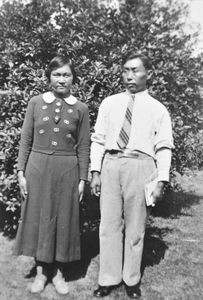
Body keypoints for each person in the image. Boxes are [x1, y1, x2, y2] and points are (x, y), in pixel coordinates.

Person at [90, 51, 174, 298]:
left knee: (136, 227)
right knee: (109, 225)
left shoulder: (158, 109)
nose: (129, 76)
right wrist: (95, 170)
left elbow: (163, 146)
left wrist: (162, 179)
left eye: (135, 70)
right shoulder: (110, 103)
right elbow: (98, 139)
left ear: (149, 74)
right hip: (112, 164)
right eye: (125, 70)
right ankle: (108, 279)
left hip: (141, 166)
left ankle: (131, 279)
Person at [13, 55, 90, 295]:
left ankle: (58, 273)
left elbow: (84, 145)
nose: (61, 79)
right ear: (49, 77)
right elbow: (25, 138)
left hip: (67, 170)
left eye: (66, 75)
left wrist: (82, 179)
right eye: (57, 74)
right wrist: (20, 171)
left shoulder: (81, 108)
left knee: (63, 219)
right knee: (38, 218)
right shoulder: (35, 102)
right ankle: (40, 272)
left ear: (73, 78)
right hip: (37, 167)